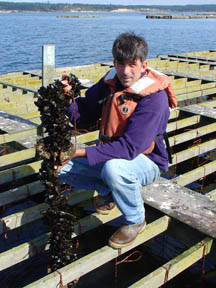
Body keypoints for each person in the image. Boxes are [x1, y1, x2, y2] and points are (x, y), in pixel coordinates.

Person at [58, 32, 177, 249]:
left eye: (133, 64)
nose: (126, 71)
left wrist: (79, 152)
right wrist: (67, 98)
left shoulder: (155, 98)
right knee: (58, 168)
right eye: (120, 64)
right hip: (111, 156)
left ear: (144, 64)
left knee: (115, 170)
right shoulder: (109, 84)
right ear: (114, 62)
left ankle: (135, 220)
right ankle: (110, 190)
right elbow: (82, 115)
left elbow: (131, 148)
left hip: (146, 162)